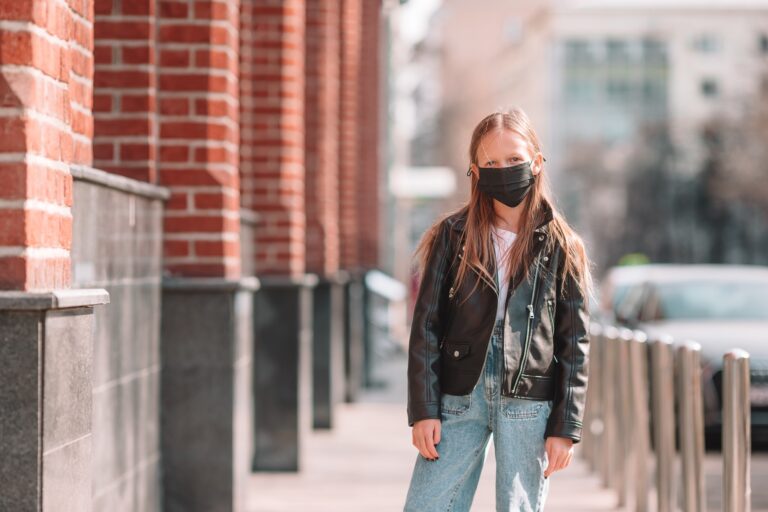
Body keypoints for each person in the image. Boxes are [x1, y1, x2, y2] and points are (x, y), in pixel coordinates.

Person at [403, 107, 595, 512]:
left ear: (536, 163)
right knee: (428, 505)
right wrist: (423, 409)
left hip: (529, 397)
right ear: (475, 170)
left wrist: (566, 426)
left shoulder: (563, 246)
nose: (503, 169)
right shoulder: (452, 236)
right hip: (459, 395)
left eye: (513, 160)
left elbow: (574, 343)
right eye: (490, 162)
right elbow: (427, 326)